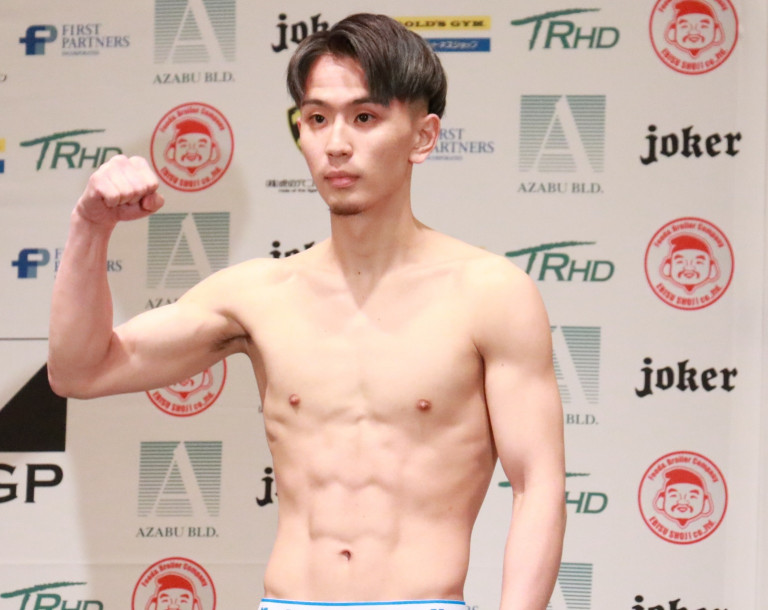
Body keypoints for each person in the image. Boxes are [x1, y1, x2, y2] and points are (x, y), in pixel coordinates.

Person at [48, 13, 566, 610]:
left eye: (364, 117)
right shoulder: (259, 295)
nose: (336, 144)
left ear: (423, 137)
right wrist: (90, 226)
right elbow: (80, 370)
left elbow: (538, 486)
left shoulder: (489, 292)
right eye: (317, 119)